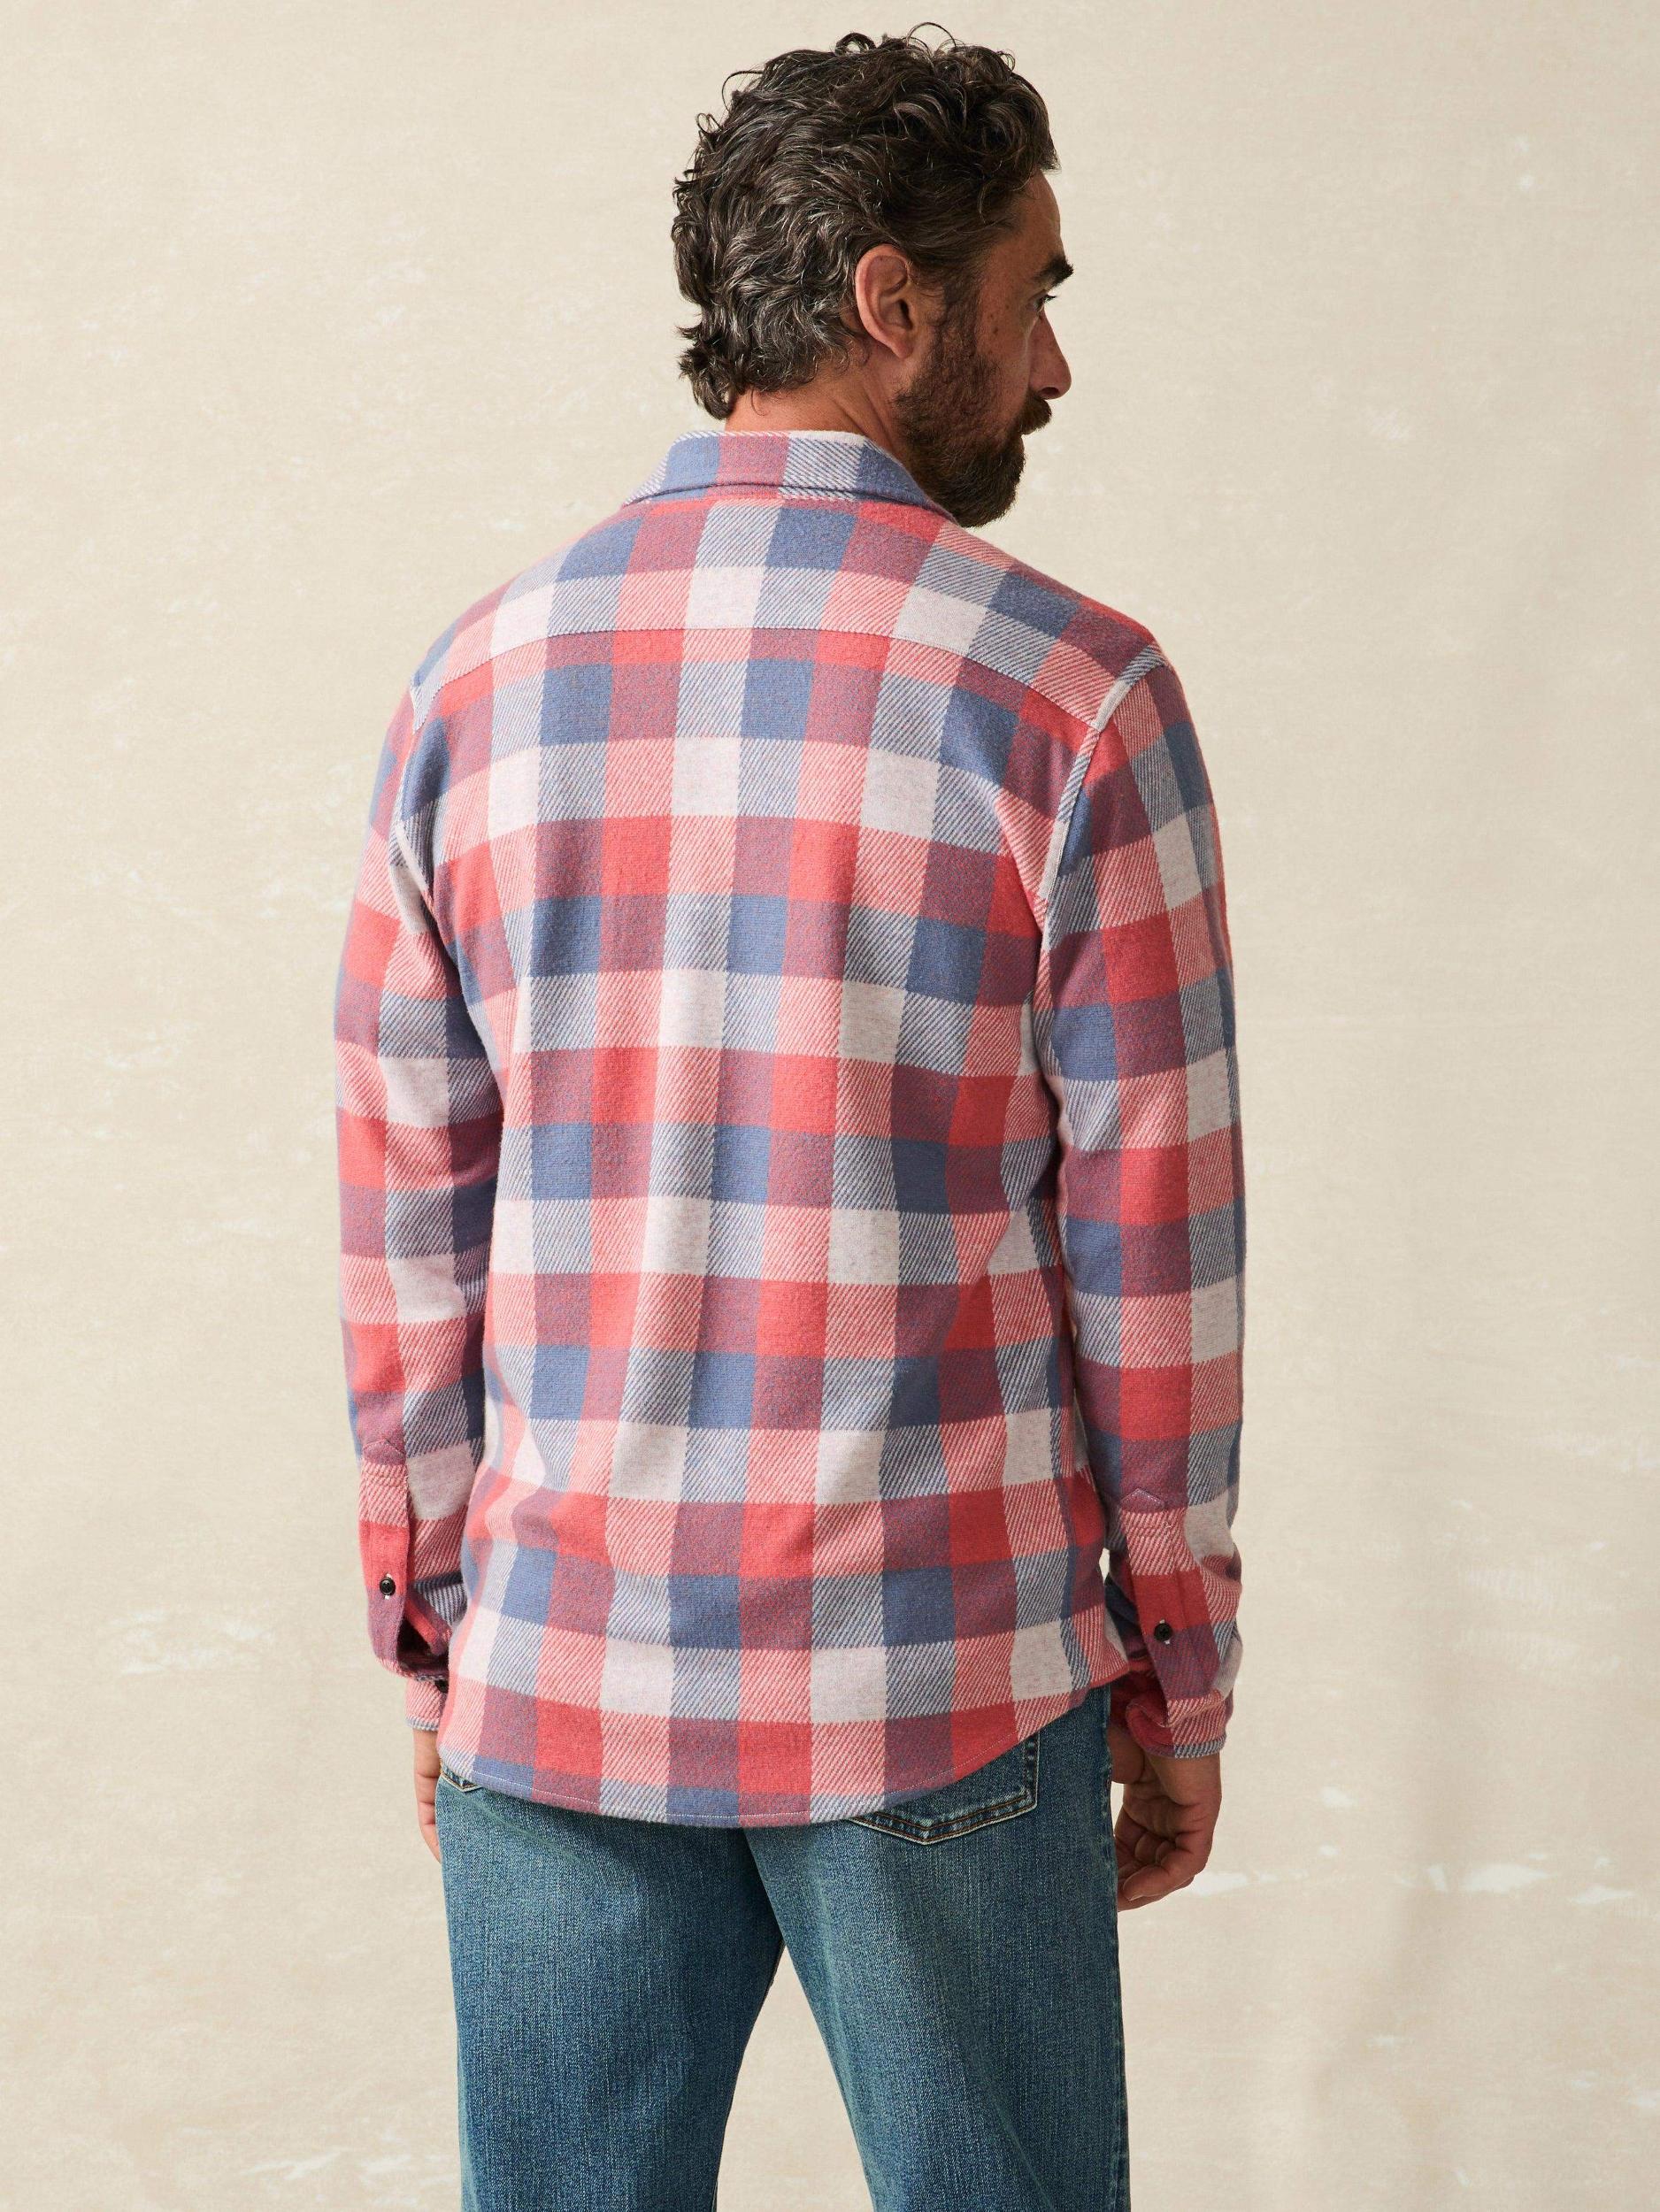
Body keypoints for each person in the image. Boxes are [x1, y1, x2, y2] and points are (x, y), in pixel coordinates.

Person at [333, 27, 1246, 2211]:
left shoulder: (477, 683)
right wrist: (1176, 1669)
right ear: (888, 300)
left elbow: (405, 1225)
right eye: (1029, 295)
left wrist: (436, 1632)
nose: (1051, 363)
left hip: (564, 1674)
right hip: (941, 1674)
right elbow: (1155, 1257)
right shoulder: (1074, 698)